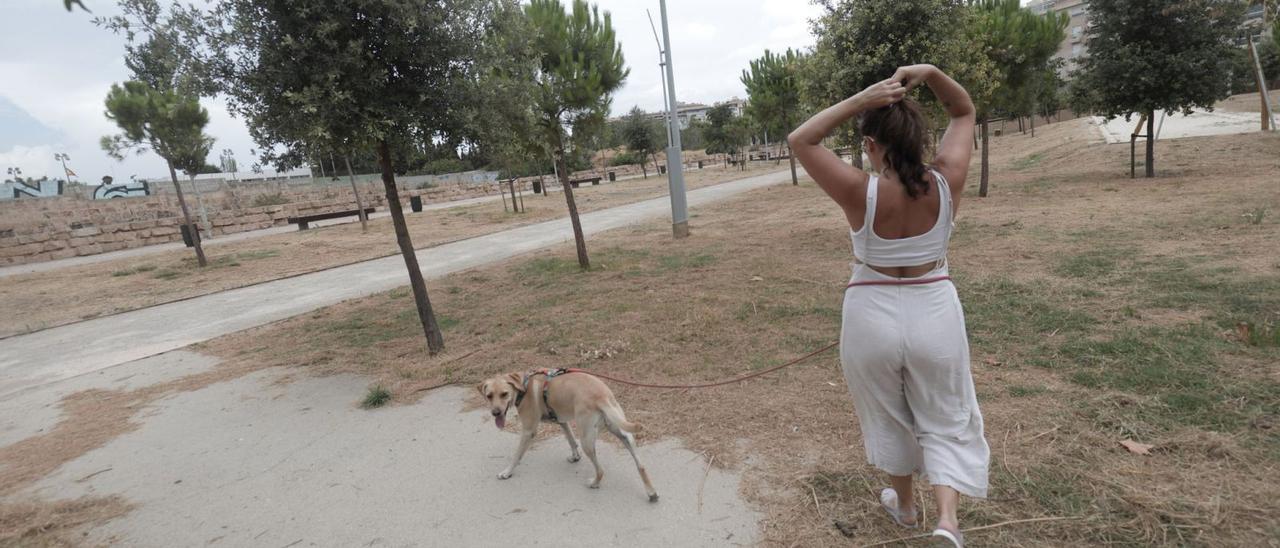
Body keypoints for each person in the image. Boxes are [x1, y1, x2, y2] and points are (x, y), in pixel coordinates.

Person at [787, 64, 989, 547]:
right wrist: (933, 73)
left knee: (888, 414)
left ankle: (904, 507)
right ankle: (947, 522)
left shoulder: (860, 190)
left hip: (870, 313)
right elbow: (962, 110)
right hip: (934, 306)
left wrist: (862, 98)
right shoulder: (948, 179)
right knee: (946, 413)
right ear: (919, 140)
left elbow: (802, 140)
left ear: (872, 145)